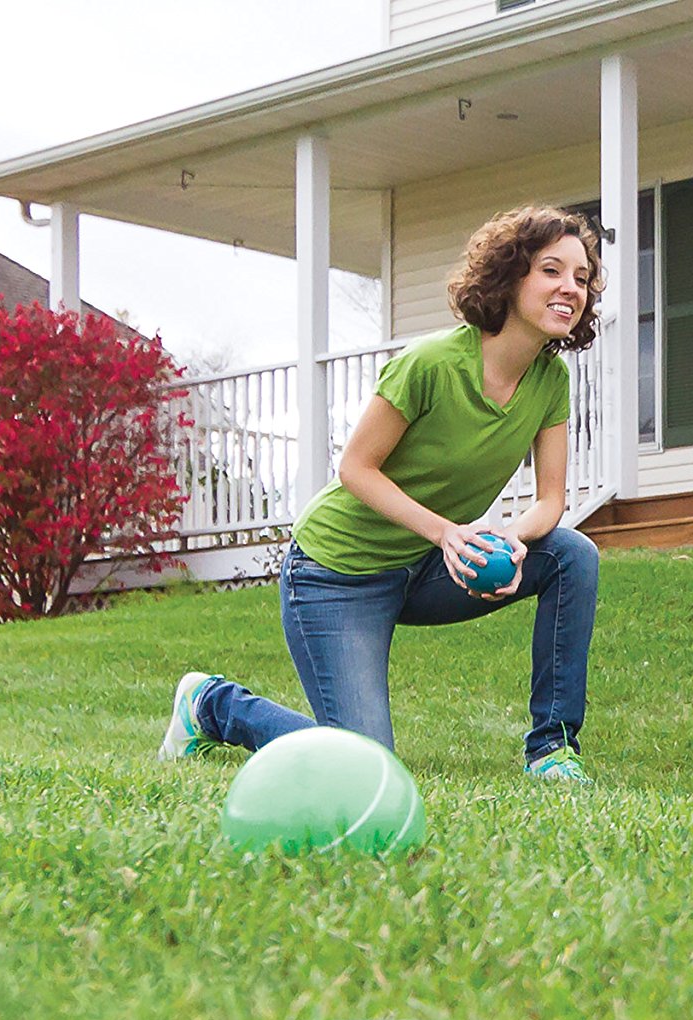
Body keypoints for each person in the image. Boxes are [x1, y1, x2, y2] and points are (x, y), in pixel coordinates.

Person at [159, 205, 606, 784]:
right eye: (552, 270)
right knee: (367, 769)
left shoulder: (551, 382)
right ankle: (211, 705)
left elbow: (550, 501)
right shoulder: (430, 365)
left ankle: (552, 750)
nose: (570, 287)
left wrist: (508, 537)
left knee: (572, 555)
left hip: (424, 567)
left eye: (581, 277)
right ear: (511, 275)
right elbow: (356, 469)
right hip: (336, 573)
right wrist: (446, 532)